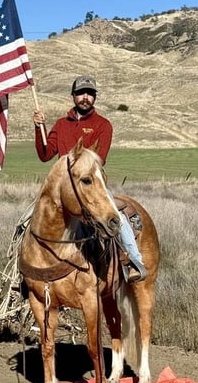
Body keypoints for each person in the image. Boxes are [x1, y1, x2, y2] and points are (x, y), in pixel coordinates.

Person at [29, 75, 147, 283]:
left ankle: (133, 262)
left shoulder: (103, 125)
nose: (86, 98)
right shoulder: (61, 124)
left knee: (115, 218)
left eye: (90, 94)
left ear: (95, 98)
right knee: (30, 220)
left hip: (90, 185)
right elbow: (45, 154)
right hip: (62, 189)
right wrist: (40, 129)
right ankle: (26, 270)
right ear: (73, 96)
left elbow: (100, 160)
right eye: (81, 93)